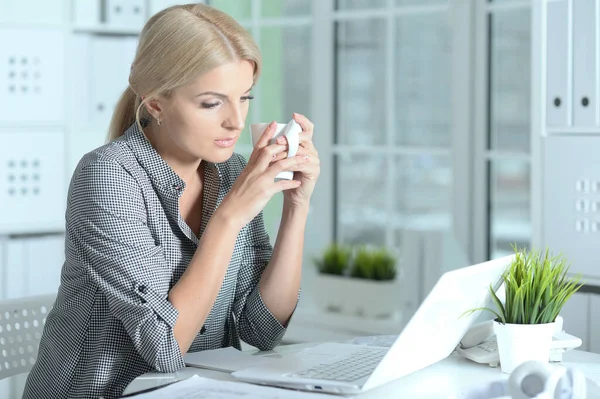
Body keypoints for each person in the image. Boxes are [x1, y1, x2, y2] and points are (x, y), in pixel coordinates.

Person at [22, 3, 320, 398]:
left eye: (244, 97)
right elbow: (165, 346)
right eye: (212, 103)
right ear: (157, 104)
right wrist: (229, 217)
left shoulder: (231, 173)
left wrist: (296, 206)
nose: (236, 120)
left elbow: (262, 329)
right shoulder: (108, 177)